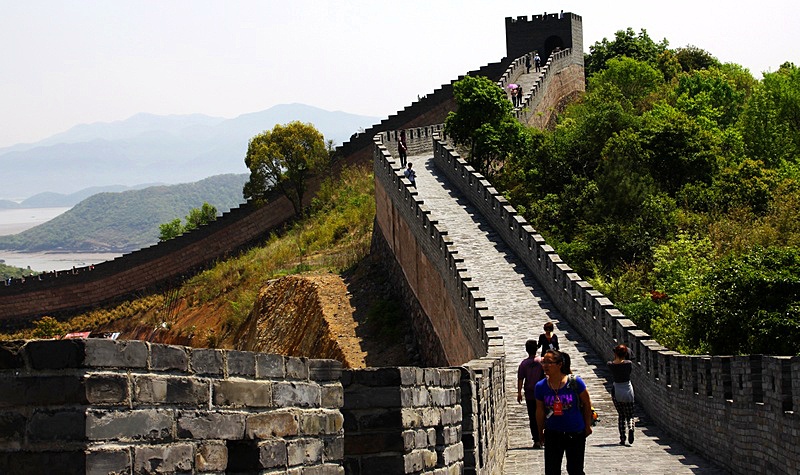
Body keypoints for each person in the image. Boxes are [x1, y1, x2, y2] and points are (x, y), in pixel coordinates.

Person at [536, 350, 593, 475]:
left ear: (559, 364)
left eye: (549, 362)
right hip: (553, 433)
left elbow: (587, 403)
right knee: (552, 471)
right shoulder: (541, 386)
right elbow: (539, 412)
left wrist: (587, 425)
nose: (545, 365)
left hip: (575, 432)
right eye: (543, 362)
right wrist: (540, 433)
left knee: (575, 470)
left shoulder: (575, 382)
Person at [517, 339, 545, 449]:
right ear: (537, 348)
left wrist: (519, 393)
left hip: (530, 394)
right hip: (542, 394)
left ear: (526, 350)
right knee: (544, 415)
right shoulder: (541, 361)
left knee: (533, 417)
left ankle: (536, 440)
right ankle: (543, 436)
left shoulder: (524, 364)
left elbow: (520, 379)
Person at [608, 344, 636, 445]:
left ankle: (622, 438)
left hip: (617, 391)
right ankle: (631, 427)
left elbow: (613, 361)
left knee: (621, 415)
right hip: (628, 389)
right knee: (630, 415)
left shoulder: (610, 364)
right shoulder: (628, 364)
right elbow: (630, 356)